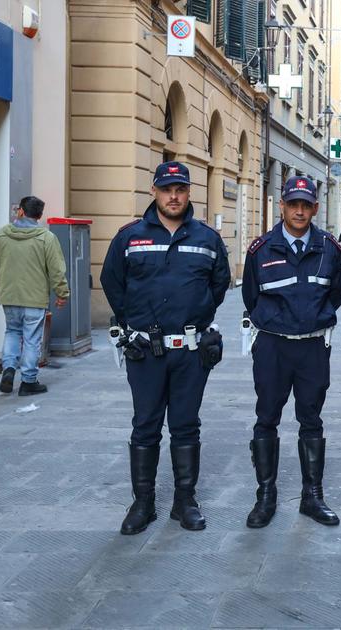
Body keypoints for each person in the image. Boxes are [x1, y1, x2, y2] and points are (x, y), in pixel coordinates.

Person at [100, 161, 231, 536]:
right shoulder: (130, 236)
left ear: (189, 193)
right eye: (166, 188)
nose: (173, 195)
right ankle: (142, 504)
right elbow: (112, 282)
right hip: (145, 351)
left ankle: (184, 501)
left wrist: (199, 312)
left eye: (180, 189)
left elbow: (219, 283)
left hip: (190, 351)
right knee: (145, 425)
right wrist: (134, 320)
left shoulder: (207, 239)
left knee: (186, 425)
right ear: (154, 192)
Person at [241, 175, 341, 529]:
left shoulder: (329, 248)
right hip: (272, 345)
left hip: (313, 346)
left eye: (306, 205)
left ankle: (311, 497)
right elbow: (251, 297)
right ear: (282, 205)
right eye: (293, 204)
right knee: (266, 417)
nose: (300, 211)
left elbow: (336, 293)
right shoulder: (260, 249)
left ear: (315, 208)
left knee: (311, 419)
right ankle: (265, 496)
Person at [0, 196, 70, 396]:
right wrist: (62, 293)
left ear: (20, 211)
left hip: (9, 296)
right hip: (34, 298)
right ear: (39, 216)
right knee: (32, 339)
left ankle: (9, 368)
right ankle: (28, 380)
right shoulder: (46, 238)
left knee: (12, 331)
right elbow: (57, 270)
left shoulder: (2, 235)